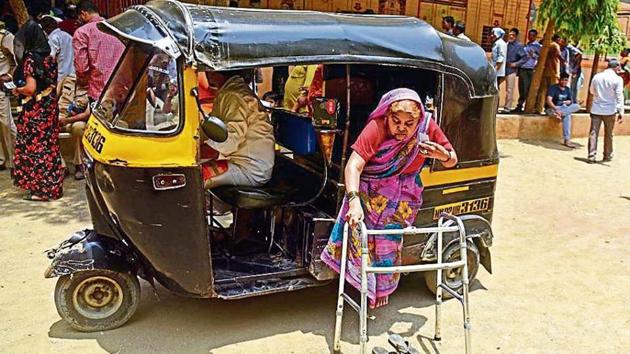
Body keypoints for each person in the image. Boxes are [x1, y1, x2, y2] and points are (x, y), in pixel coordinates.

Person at [320, 88, 457, 309]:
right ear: (387, 116)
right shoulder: (376, 127)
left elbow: (452, 159)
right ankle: (361, 282)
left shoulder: (426, 126)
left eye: (408, 123)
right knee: (361, 237)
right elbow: (354, 165)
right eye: (396, 122)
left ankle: (382, 289)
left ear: (419, 120)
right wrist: (354, 201)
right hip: (370, 191)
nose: (402, 128)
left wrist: (442, 155)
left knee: (388, 242)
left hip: (403, 195)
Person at [12, 19, 64, 201]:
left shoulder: (30, 59)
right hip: (49, 107)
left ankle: (40, 191)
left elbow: (30, 88)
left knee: (36, 148)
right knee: (50, 146)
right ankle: (53, 188)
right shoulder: (49, 58)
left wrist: (17, 89)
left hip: (35, 110)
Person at [202, 70, 275, 188]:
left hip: (249, 168)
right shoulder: (230, 91)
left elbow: (229, 141)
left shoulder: (232, 95)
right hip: (240, 161)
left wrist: (195, 153)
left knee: (192, 179)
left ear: (214, 72)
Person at [73, 0, 124, 103]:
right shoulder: (117, 28)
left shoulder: (82, 32)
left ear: (83, 14)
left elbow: (81, 68)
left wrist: (82, 81)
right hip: (121, 90)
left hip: (99, 91)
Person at [588, 59, 624, 163]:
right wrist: (621, 111)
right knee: (609, 134)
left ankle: (591, 156)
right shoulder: (617, 79)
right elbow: (619, 96)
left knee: (593, 133)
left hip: (596, 108)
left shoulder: (597, 76)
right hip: (610, 110)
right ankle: (607, 155)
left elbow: (591, 91)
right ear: (616, 67)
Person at [546, 72, 580, 148]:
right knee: (567, 115)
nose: (564, 82)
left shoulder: (567, 89)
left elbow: (571, 101)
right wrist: (556, 109)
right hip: (553, 108)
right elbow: (549, 101)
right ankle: (567, 140)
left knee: (577, 106)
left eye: (566, 80)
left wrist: (568, 102)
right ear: (559, 80)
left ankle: (560, 114)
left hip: (563, 108)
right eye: (563, 80)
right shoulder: (553, 88)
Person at [513, 29, 541, 112]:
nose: (530, 37)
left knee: (527, 88)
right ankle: (520, 105)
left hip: (530, 69)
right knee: (522, 87)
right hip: (523, 68)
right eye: (529, 35)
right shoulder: (526, 45)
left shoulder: (537, 46)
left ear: (535, 36)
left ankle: (526, 105)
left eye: (532, 35)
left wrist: (534, 55)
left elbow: (540, 58)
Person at [0, 21, 15, 173]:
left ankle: (14, 158)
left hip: (1, 88)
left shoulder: (5, 37)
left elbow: (17, 59)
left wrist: (10, 75)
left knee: (5, 123)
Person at [536, 34, 563, 113]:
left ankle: (539, 108)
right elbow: (559, 56)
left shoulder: (546, 46)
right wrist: (564, 62)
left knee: (543, 90)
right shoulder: (555, 45)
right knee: (553, 91)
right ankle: (552, 108)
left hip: (545, 72)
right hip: (553, 73)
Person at [504, 28, 523, 112]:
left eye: (513, 35)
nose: (511, 36)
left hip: (511, 70)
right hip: (502, 69)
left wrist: (516, 64)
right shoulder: (506, 44)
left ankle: (507, 108)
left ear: (516, 36)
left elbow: (525, 57)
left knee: (509, 90)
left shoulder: (519, 46)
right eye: (510, 34)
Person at [490, 27, 507, 108]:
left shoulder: (500, 43)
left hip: (497, 71)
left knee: (495, 89)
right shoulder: (497, 43)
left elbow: (500, 58)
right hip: (496, 69)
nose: (491, 35)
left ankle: (495, 106)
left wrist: (495, 69)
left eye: (493, 34)